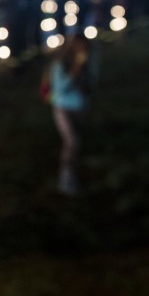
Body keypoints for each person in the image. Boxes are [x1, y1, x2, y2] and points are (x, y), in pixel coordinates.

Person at [47, 34, 94, 195]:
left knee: (77, 143)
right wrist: (76, 69)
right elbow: (60, 88)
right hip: (63, 108)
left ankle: (75, 176)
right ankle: (66, 181)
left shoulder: (88, 62)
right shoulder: (60, 64)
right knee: (71, 142)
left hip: (79, 108)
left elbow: (91, 84)